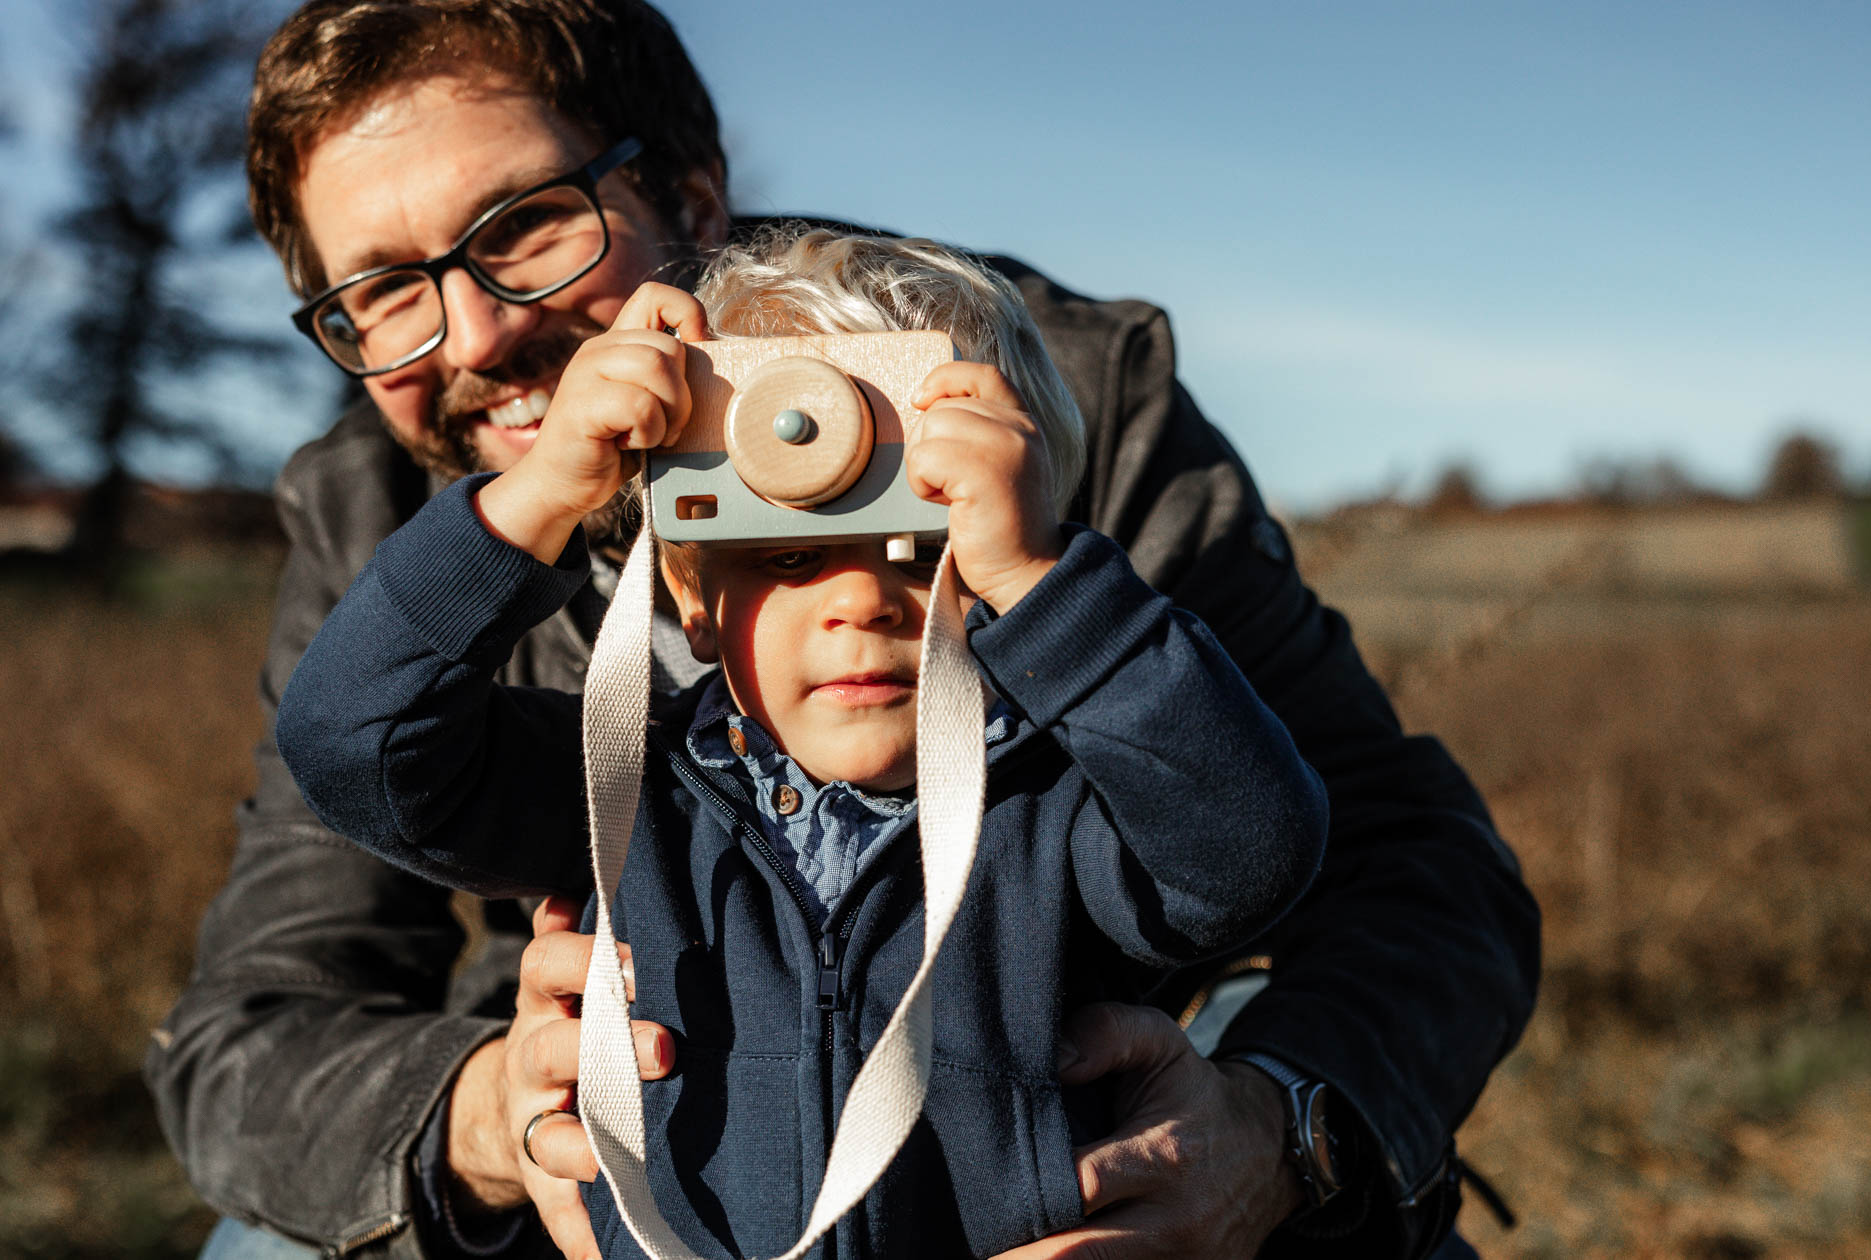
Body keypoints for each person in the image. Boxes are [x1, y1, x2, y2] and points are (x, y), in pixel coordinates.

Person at [144, 2, 1540, 1258]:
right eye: (384, 288)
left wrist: (1273, 1135)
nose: (469, 339)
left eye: (521, 228)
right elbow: (259, 1014)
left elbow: (1387, 860)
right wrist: (487, 1121)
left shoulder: (1042, 390)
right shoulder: (384, 514)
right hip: (637, 1148)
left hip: (1069, 1117)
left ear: (690, 193)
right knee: (271, 1243)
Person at [273, 232, 1332, 1259]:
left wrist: (1056, 595)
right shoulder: (624, 785)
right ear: (689, 596)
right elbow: (350, 744)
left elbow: (1250, 852)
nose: (862, 600)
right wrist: (539, 495)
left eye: (928, 548)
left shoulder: (1058, 803)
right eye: (785, 553)